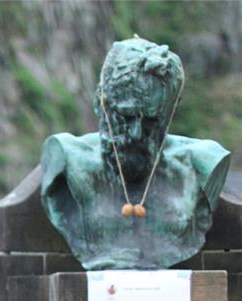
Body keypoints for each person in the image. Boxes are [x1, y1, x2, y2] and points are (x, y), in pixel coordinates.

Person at [40, 36, 230, 270]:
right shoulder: (68, 162)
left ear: (170, 113)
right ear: (101, 104)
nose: (136, 134)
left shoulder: (201, 166)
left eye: (151, 121)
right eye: (126, 116)